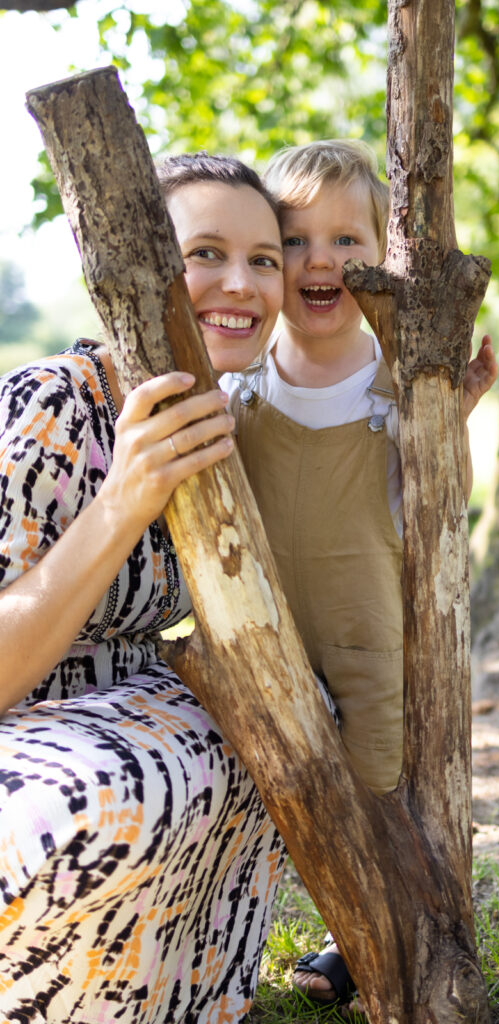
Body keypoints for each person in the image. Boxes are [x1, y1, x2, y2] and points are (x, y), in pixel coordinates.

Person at [0, 153, 287, 1023]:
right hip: (41, 754)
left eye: (264, 259)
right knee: (108, 786)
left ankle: (172, 996)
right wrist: (124, 500)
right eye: (204, 254)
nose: (240, 284)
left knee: (285, 719)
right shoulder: (49, 406)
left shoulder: (225, 417)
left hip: (127, 708)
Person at [220, 139, 498, 1009]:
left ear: (382, 258)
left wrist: (448, 419)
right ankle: (232, 926)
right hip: (263, 631)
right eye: (294, 241)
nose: (320, 261)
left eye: (347, 241)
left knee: (375, 786)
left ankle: (364, 933)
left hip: (371, 633)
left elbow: (431, 501)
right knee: (276, 786)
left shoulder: (393, 378)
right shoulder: (243, 383)